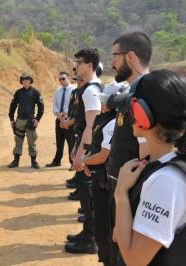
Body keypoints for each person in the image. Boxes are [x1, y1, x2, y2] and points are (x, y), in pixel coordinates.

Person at [113, 70, 186, 265]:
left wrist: (121, 194)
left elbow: (134, 259)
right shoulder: (158, 165)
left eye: (131, 108)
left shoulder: (167, 180)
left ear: (143, 115)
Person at [106, 31, 151, 263]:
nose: (112, 63)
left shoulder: (143, 94)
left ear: (130, 57)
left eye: (115, 56)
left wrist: (129, 213)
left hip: (132, 199)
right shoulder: (135, 90)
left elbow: (146, 156)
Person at [75, 81, 123, 265]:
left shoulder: (112, 123)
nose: (101, 104)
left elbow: (103, 155)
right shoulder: (104, 118)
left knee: (105, 227)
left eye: (106, 101)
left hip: (105, 182)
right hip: (97, 177)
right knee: (101, 225)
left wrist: (85, 161)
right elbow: (96, 146)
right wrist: (87, 160)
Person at [65, 48, 103, 254]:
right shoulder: (88, 88)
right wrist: (75, 147)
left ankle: (91, 239)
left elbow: (92, 125)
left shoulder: (91, 91)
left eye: (79, 62)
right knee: (85, 194)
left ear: (89, 65)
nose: (76, 66)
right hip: (84, 145)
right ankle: (87, 232)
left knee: (88, 196)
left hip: (89, 150)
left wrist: (81, 154)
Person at [8, 73, 44, 169]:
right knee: (18, 141)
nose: (25, 81)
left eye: (27, 79)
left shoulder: (36, 92)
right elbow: (13, 106)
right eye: (23, 79)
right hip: (19, 120)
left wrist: (37, 119)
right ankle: (16, 161)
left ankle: (33, 161)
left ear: (30, 80)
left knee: (31, 141)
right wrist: (11, 119)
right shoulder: (18, 92)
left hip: (30, 121)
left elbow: (41, 107)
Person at [46, 71, 74, 168]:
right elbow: (55, 105)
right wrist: (58, 115)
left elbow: (74, 105)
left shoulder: (74, 90)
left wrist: (65, 115)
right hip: (59, 119)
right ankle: (57, 161)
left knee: (71, 142)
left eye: (63, 78)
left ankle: (73, 163)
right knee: (59, 141)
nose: (61, 81)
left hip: (69, 120)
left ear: (68, 78)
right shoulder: (58, 91)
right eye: (60, 79)